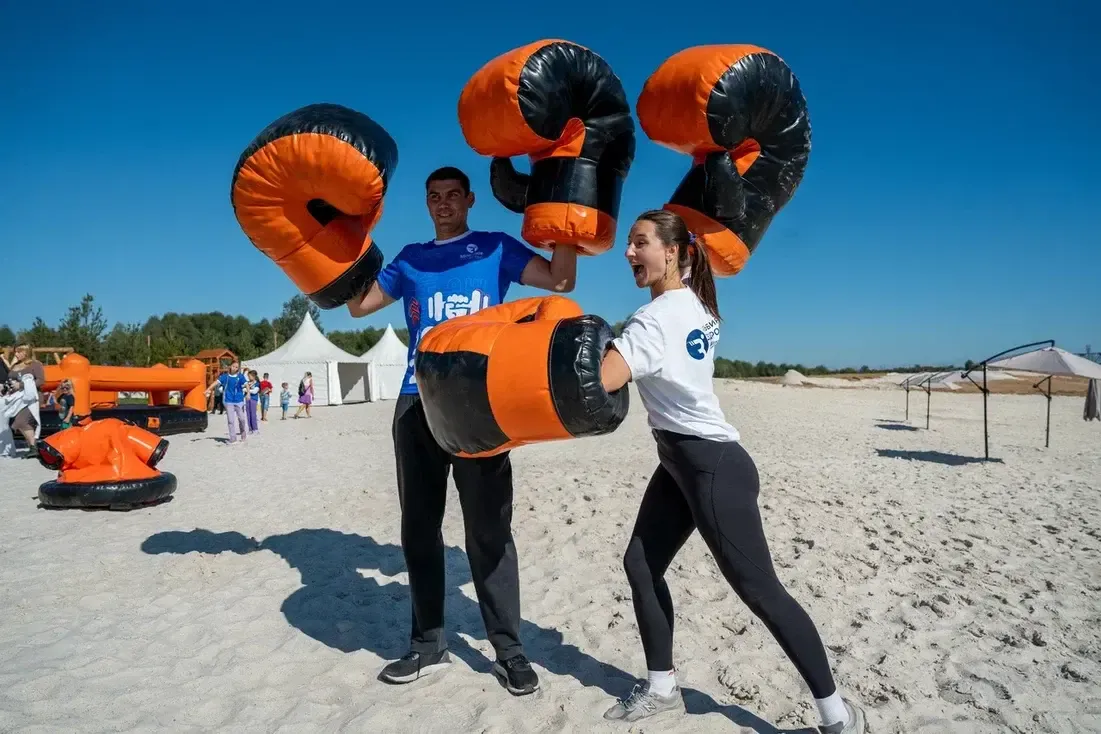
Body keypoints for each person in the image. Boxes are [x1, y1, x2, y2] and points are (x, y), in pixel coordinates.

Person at [597, 211, 866, 733]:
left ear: (673, 252)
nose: (628, 253)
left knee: (760, 590)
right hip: (681, 460)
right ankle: (662, 688)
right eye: (628, 244)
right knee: (641, 564)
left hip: (711, 467)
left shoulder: (653, 320)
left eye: (640, 243)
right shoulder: (694, 305)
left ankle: (840, 718)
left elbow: (603, 380)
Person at [346, 166, 577, 694]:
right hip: (415, 400)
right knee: (419, 529)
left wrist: (568, 219)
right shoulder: (409, 259)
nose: (444, 204)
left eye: (453, 195)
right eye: (435, 197)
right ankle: (428, 645)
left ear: (470, 199)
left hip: (478, 404)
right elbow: (358, 305)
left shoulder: (495, 248)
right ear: (427, 204)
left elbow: (561, 281)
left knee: (488, 530)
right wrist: (339, 239)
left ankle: (510, 651)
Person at [204, 360, 248, 444]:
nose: (234, 368)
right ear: (230, 366)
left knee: (242, 419)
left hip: (239, 400)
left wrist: (248, 393)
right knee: (230, 421)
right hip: (229, 401)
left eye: (236, 367)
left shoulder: (240, 376)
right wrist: (208, 389)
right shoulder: (224, 376)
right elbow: (216, 383)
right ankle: (233, 438)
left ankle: (243, 434)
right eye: (233, 366)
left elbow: (246, 384)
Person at [245, 370, 261, 434]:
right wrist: (247, 390)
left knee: (253, 414)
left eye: (249, 376)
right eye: (248, 376)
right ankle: (250, 429)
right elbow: (242, 389)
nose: (248, 377)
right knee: (248, 414)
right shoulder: (247, 383)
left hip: (253, 399)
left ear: (254, 376)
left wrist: (247, 390)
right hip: (247, 399)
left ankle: (255, 428)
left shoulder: (257, 383)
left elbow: (255, 391)